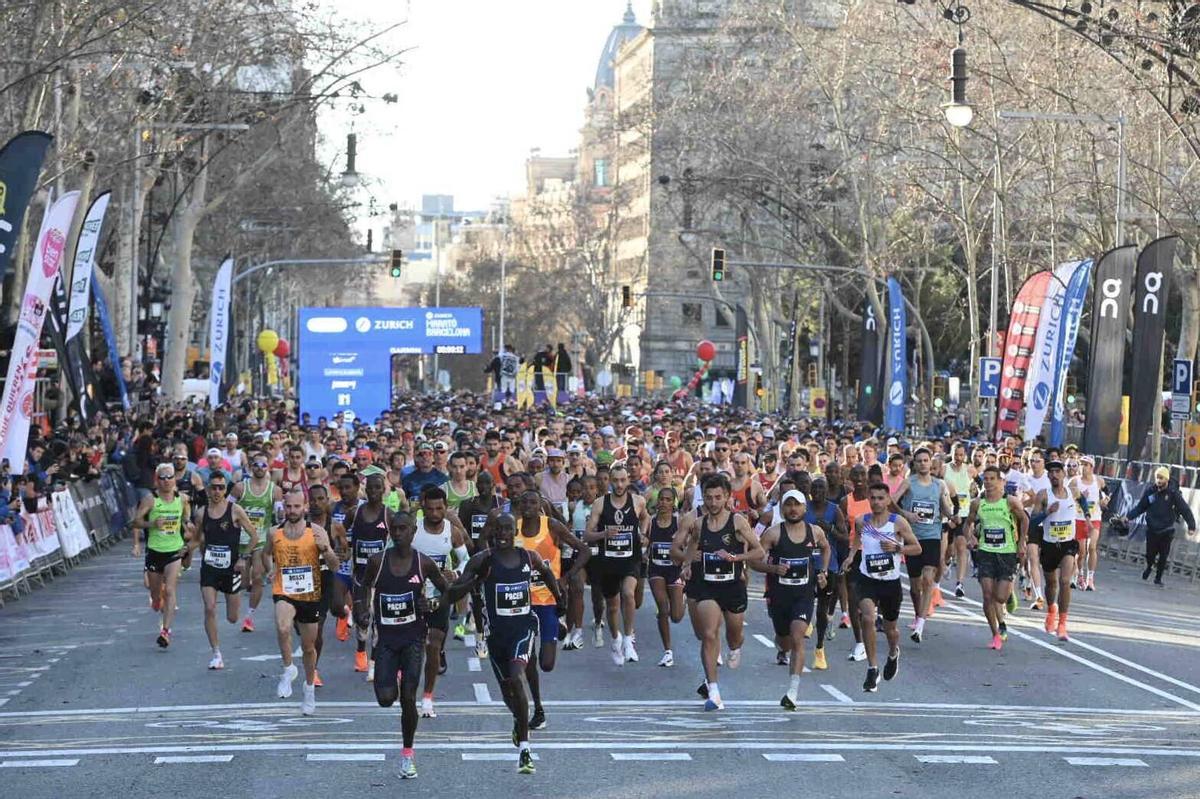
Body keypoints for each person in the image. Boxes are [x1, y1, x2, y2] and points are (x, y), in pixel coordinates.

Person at [448, 513, 561, 774]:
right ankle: (518, 719)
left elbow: (546, 573)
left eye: (508, 529)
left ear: (515, 531)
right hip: (496, 635)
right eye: (498, 529)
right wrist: (475, 581)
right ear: (491, 532)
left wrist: (559, 598)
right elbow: (455, 592)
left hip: (523, 628)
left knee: (517, 673)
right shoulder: (481, 561)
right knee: (507, 691)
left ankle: (524, 749)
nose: (503, 534)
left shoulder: (527, 557)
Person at [354, 509, 453, 780]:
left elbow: (447, 592)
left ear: (413, 532)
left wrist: (430, 604)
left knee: (408, 697)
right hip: (386, 640)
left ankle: (407, 755)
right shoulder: (378, 561)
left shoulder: (424, 564)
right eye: (394, 529)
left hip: (413, 639)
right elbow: (361, 588)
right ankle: (393, 680)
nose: (398, 534)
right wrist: (361, 610)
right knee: (386, 699)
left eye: (403, 529)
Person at [672, 472, 764, 711]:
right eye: (709, 498)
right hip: (706, 585)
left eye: (717, 498)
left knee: (734, 635)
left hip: (732, 585)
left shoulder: (737, 522)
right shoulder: (697, 524)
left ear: (726, 498)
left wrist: (736, 557)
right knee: (709, 634)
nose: (712, 503)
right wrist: (688, 563)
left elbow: (758, 551)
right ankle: (714, 691)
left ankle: (735, 647)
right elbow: (682, 552)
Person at [514, 488, 589, 729]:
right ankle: (537, 708)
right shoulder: (511, 528)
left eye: (533, 502)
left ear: (540, 506)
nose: (528, 506)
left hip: (548, 601)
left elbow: (584, 550)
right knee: (529, 658)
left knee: (547, 664)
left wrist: (566, 579)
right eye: (524, 502)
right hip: (521, 604)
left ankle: (557, 625)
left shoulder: (552, 526)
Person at [753, 490, 831, 709]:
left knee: (798, 637)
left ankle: (793, 691)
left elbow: (826, 548)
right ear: (782, 509)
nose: (793, 509)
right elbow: (753, 561)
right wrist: (773, 568)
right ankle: (781, 646)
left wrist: (822, 571)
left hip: (804, 595)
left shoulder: (814, 532)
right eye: (788, 505)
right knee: (784, 639)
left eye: (797, 505)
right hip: (779, 596)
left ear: (805, 509)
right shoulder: (773, 534)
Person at [265, 489, 340, 715]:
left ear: (304, 507)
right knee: (282, 625)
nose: (292, 511)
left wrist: (325, 550)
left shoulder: (316, 532)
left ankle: (309, 690)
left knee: (309, 648)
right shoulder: (274, 533)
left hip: (309, 593)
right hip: (284, 590)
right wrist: (270, 569)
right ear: (283, 507)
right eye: (288, 507)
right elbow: (265, 554)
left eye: (297, 507)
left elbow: (335, 565)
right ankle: (288, 669)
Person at [843, 481, 921, 692]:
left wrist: (898, 548)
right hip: (867, 579)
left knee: (891, 630)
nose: (876, 502)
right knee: (867, 617)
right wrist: (851, 557)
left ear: (888, 500)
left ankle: (893, 652)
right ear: (868, 499)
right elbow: (857, 541)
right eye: (873, 498)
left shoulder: (898, 523)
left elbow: (917, 548)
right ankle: (872, 667)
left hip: (890, 582)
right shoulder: (862, 521)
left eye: (881, 498)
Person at [188, 472, 259, 669]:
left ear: (226, 490)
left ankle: (233, 609)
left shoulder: (235, 510)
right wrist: (186, 549)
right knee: (209, 608)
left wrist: (244, 557)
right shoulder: (202, 513)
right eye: (213, 487)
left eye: (221, 487)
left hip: (232, 568)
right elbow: (197, 538)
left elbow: (253, 536)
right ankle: (216, 653)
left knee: (232, 617)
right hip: (209, 567)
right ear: (208, 489)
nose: (217, 491)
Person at [584, 463, 650, 665]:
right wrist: (604, 533)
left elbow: (646, 518)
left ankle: (629, 639)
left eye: (623, 480)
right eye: (615, 481)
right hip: (608, 560)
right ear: (610, 482)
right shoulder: (600, 504)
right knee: (612, 606)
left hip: (631, 558)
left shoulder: (638, 501)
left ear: (628, 480)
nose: (619, 484)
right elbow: (587, 535)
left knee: (629, 593)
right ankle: (616, 639)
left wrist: (642, 534)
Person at [412, 486, 469, 719]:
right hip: (414, 596)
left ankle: (427, 697)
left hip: (440, 596)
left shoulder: (452, 531)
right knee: (414, 646)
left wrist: (455, 573)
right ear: (423, 507)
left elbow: (466, 559)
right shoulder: (412, 530)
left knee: (433, 645)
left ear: (445, 508)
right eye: (430, 508)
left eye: (439, 508)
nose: (435, 513)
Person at [892, 448, 955, 644]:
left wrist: (952, 515)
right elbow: (891, 502)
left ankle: (920, 623)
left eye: (926, 460)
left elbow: (944, 507)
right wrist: (906, 514)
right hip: (912, 538)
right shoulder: (908, 483)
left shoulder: (939, 484)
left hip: (932, 537)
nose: (923, 464)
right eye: (919, 461)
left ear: (930, 463)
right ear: (915, 464)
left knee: (928, 579)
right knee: (914, 586)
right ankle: (918, 614)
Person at [964, 465, 1027, 650]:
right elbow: (967, 524)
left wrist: (1021, 542)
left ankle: (1008, 595)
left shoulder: (1010, 502)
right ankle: (996, 634)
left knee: (999, 597)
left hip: (1007, 553)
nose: (989, 482)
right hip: (985, 553)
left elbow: (1024, 520)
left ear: (1001, 482)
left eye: (993, 478)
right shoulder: (978, 503)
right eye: (986, 479)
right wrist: (971, 537)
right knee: (987, 595)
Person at [131, 463, 192, 648]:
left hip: (174, 551)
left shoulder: (182, 500)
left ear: (175, 479)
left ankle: (165, 631)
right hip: (155, 551)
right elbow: (135, 522)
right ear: (157, 480)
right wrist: (152, 525)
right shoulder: (150, 500)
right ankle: (157, 601)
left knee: (171, 590)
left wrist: (188, 532)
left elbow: (186, 521)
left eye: (169, 477)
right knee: (156, 594)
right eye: (162, 478)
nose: (166, 481)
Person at [347, 473, 400, 678]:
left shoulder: (389, 515)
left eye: (378, 487)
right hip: (360, 575)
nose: (374, 492)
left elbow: (399, 541)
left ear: (384, 490)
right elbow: (340, 533)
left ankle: (374, 662)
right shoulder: (355, 512)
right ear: (365, 489)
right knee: (362, 618)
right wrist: (343, 547)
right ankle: (361, 647)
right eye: (370, 488)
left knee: (379, 621)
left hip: (381, 577)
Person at [1118, 466, 1197, 587]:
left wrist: (1191, 526)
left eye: (1161, 478)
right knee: (1150, 554)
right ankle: (1149, 566)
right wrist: (1128, 517)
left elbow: (1184, 509)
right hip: (1152, 529)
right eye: (1157, 478)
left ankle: (1158, 578)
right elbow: (1140, 507)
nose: (1159, 481)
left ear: (1166, 479)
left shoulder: (1173, 493)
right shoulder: (1150, 491)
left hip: (1167, 529)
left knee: (1163, 556)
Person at [231, 453, 281, 633]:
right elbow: (228, 511)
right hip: (240, 540)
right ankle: (239, 607)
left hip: (260, 540)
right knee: (244, 583)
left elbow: (279, 514)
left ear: (268, 468)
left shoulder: (274, 490)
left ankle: (249, 617)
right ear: (251, 467)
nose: (260, 468)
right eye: (256, 465)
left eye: (263, 465)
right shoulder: (239, 488)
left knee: (258, 578)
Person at [644, 485, 685, 667]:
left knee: (676, 616)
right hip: (656, 569)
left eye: (668, 499)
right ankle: (668, 651)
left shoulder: (680, 522)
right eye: (661, 499)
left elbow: (691, 543)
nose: (664, 503)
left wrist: (688, 561)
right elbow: (644, 542)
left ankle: (682, 597)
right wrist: (643, 549)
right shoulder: (650, 522)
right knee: (662, 606)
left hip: (675, 570)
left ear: (674, 503)